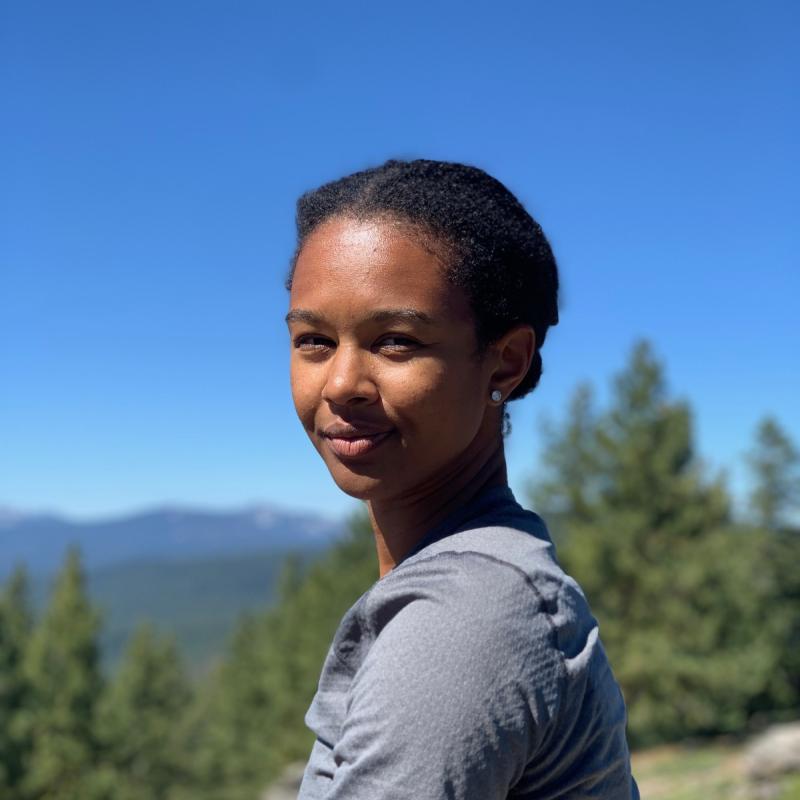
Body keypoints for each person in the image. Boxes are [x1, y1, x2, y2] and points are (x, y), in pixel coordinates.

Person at [286, 158, 639, 799]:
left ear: (505, 363)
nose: (340, 384)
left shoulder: (462, 626)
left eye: (395, 341)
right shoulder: (494, 576)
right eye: (313, 340)